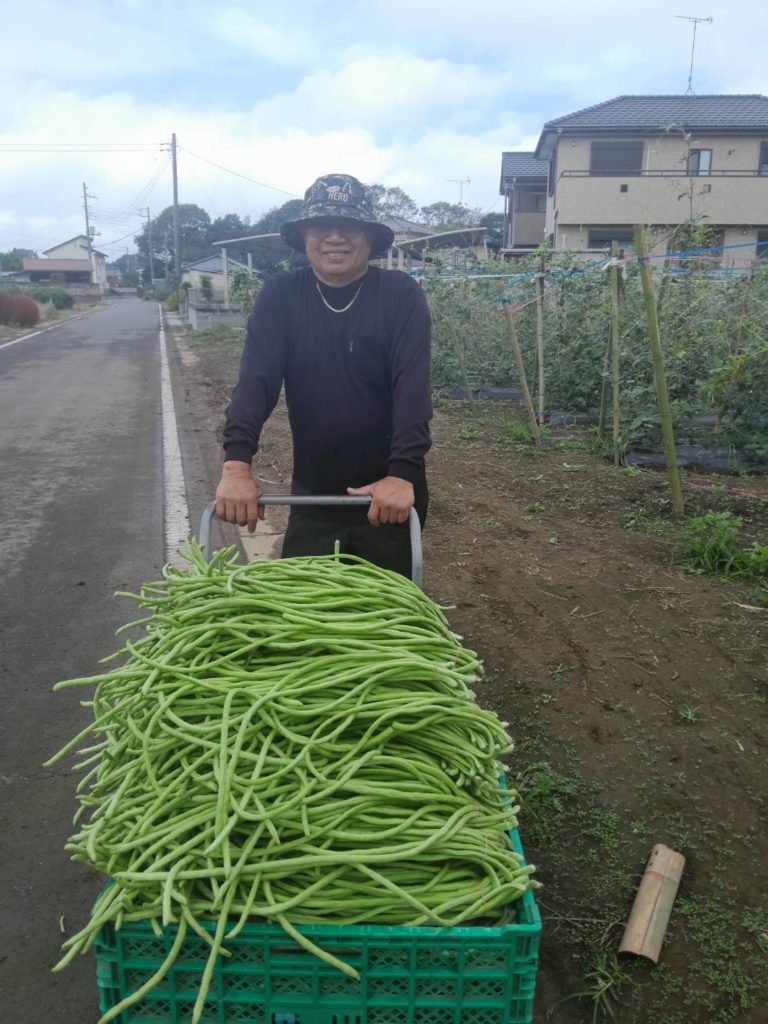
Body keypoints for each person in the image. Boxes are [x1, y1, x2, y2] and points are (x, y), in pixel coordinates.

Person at [215, 173, 432, 578]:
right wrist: (236, 466)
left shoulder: (400, 295)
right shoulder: (281, 295)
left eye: (349, 226)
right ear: (304, 236)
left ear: (369, 237)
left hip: (388, 496)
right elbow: (256, 382)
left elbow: (412, 390)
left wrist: (401, 474)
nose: (335, 237)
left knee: (382, 619)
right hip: (313, 497)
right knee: (303, 626)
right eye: (322, 226)